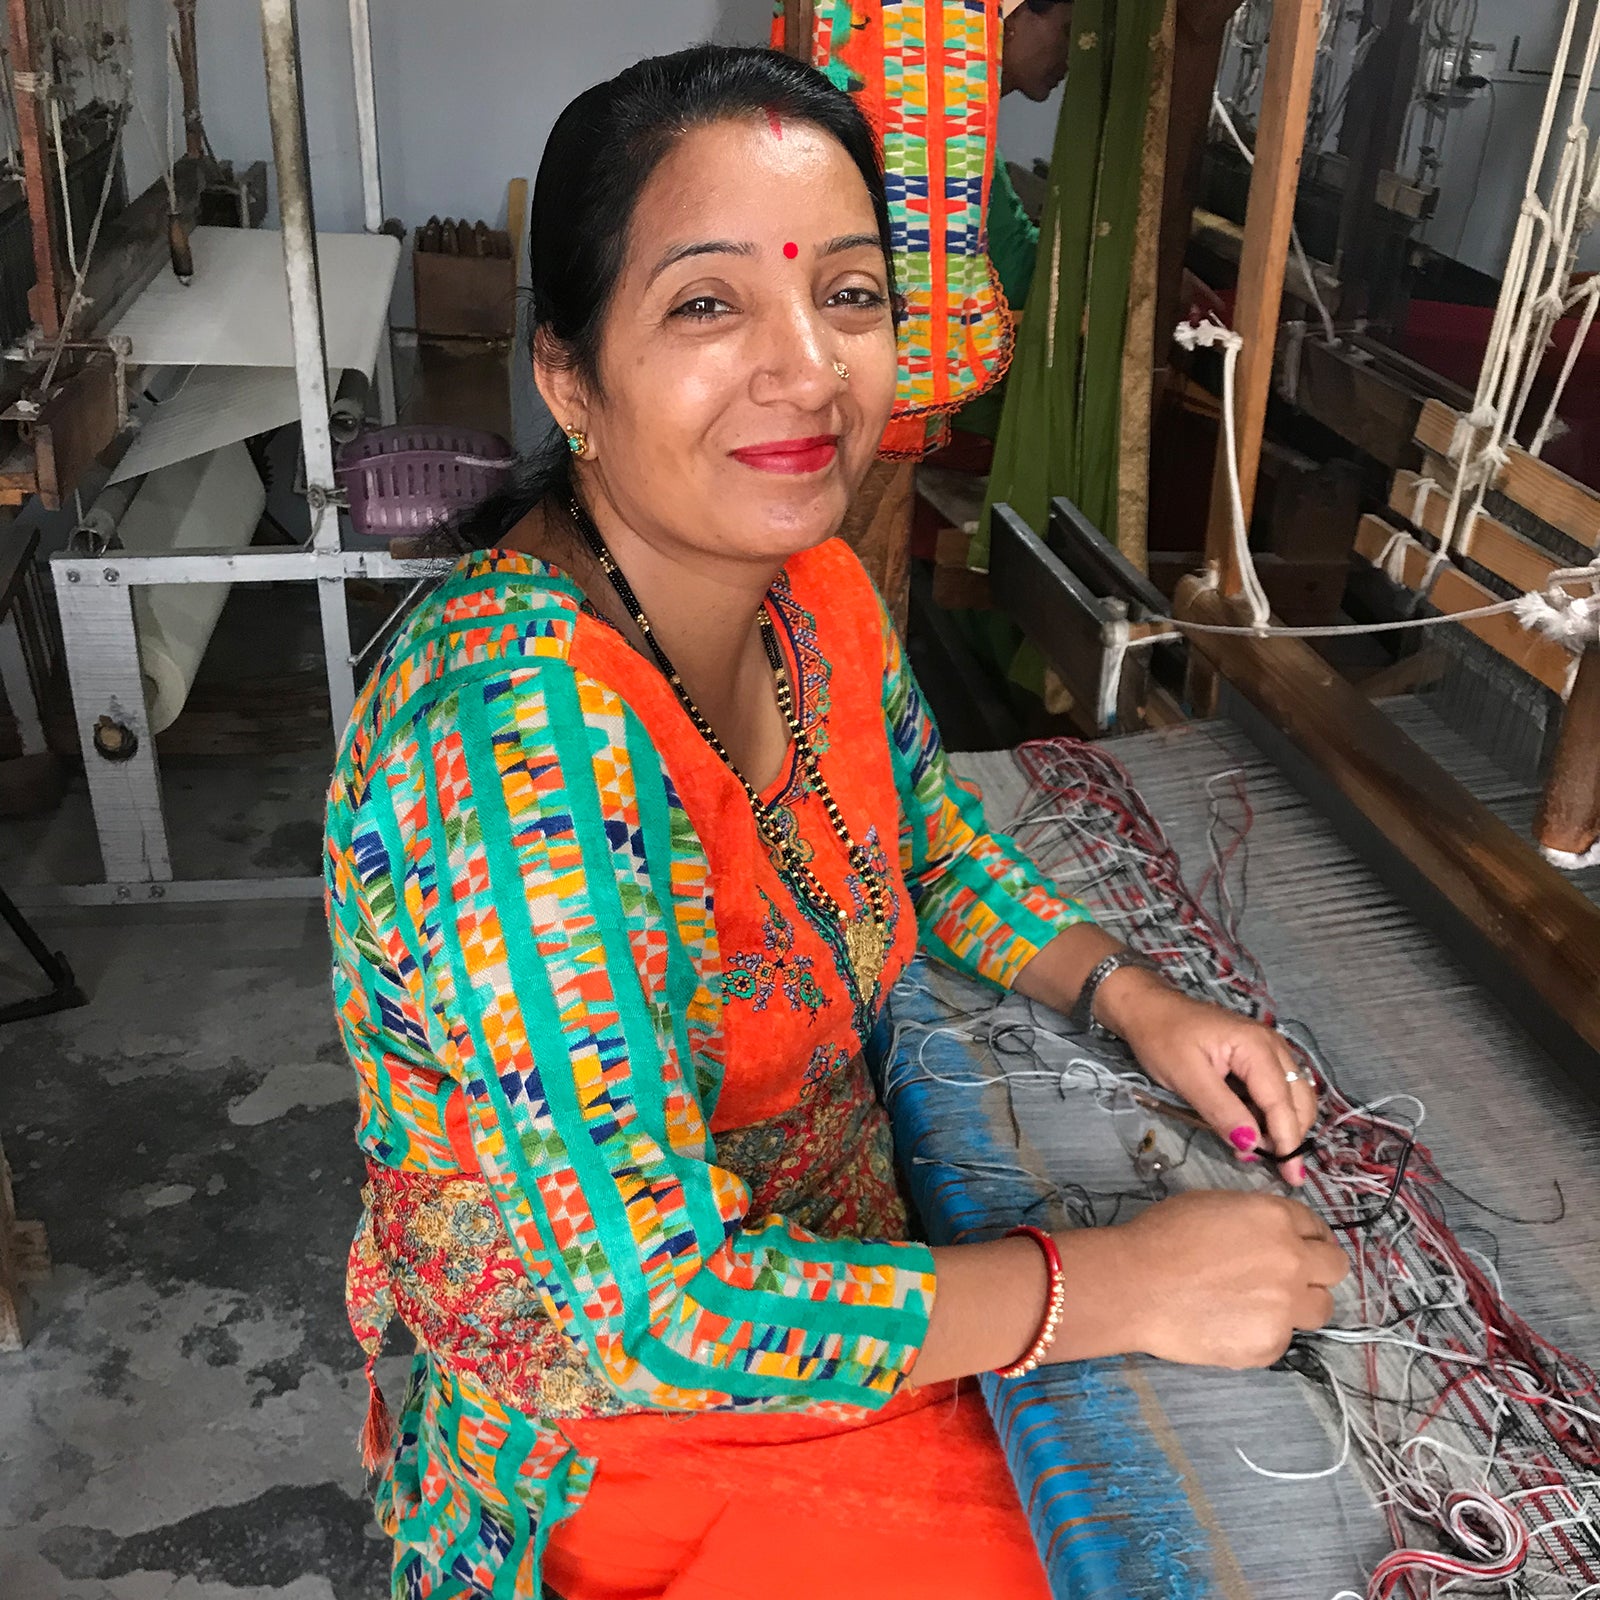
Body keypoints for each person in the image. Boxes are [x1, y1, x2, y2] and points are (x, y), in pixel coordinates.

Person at [325, 44, 1345, 1600]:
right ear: (569, 378)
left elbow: (922, 834)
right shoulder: (514, 742)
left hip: (835, 1303)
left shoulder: (813, 595)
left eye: (850, 295)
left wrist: (1132, 998)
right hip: (625, 1444)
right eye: (708, 303)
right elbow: (652, 1310)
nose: (806, 367)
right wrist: (1113, 1287)